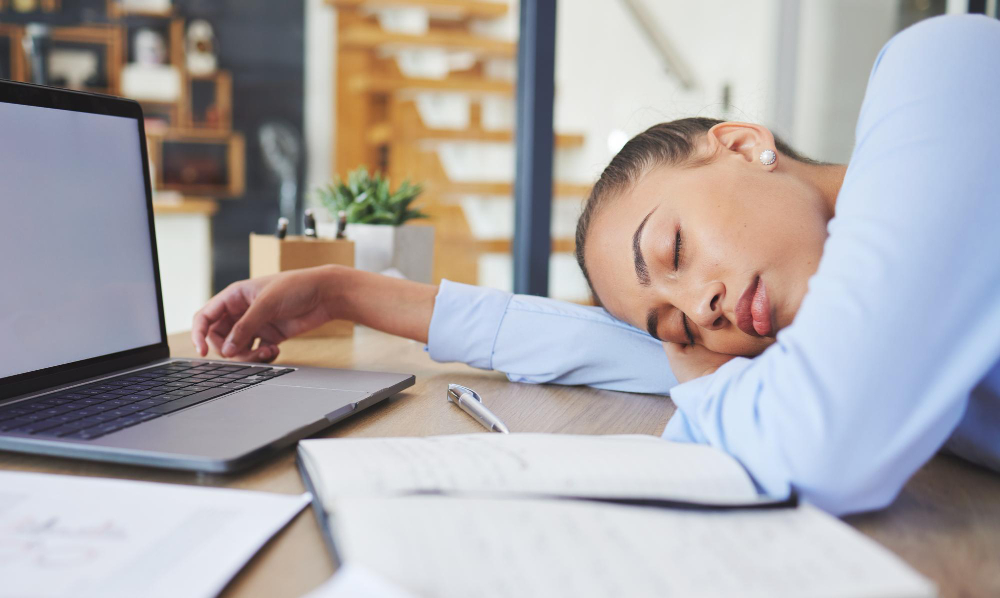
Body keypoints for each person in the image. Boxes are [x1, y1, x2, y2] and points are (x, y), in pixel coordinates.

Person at [192, 15, 1000, 515]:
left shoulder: (944, 72)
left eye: (673, 250)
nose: (703, 313)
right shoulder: (822, 328)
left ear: (744, 143)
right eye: (676, 324)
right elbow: (607, 348)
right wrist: (350, 291)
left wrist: (704, 378)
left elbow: (829, 449)